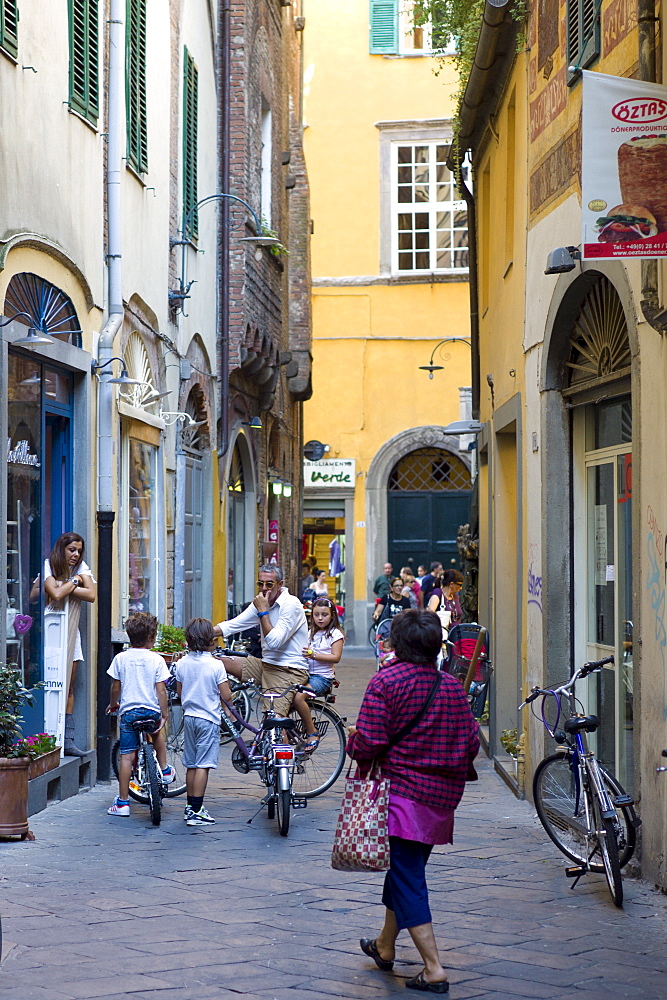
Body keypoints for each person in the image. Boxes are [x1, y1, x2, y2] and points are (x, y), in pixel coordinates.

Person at [347, 610, 479, 993]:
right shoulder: (452, 687)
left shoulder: (386, 682)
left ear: (397, 643)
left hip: (400, 796)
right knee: (404, 869)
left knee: (408, 876)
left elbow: (370, 742)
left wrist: (355, 741)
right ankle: (385, 946)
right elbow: (471, 741)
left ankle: (433, 967)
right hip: (440, 798)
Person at [213, 564, 310, 716]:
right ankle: (224, 708)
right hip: (266, 665)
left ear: (280, 584)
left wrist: (263, 612)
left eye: (269, 584)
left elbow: (274, 643)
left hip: (288, 670)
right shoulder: (261, 603)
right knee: (216, 661)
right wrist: (203, 634)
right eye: (260, 583)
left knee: (272, 723)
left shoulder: (291, 604)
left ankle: (283, 736)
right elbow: (234, 624)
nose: (264, 588)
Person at [106, 612, 175, 817]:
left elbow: (115, 687)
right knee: (157, 735)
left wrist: (113, 704)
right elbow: (161, 689)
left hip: (129, 713)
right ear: (152, 637)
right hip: (151, 710)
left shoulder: (121, 658)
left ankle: (123, 803)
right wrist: (164, 713)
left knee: (127, 757)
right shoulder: (156, 659)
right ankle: (164, 769)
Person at [172, 618, 234, 826]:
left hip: (189, 717)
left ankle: (190, 806)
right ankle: (197, 810)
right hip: (208, 719)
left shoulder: (181, 663)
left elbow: (180, 692)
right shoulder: (216, 665)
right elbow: (226, 695)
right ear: (210, 639)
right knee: (203, 765)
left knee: (191, 763)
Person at [44, 532, 97, 757]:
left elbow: (92, 594)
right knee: (50, 683)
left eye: (78, 550)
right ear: (62, 549)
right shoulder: (48, 564)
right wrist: (73, 584)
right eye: (71, 550)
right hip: (51, 632)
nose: (75, 555)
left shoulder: (81, 568)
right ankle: (48, 737)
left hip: (72, 632)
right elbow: (55, 594)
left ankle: (68, 741)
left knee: (69, 686)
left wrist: (69, 582)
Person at [292, 598, 345, 750]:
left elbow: (336, 657)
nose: (320, 618)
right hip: (306, 674)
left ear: (332, 616)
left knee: (299, 697)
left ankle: (311, 731)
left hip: (322, 678)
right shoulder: (311, 633)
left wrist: (313, 655)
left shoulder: (335, 634)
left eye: (324, 615)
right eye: (316, 615)